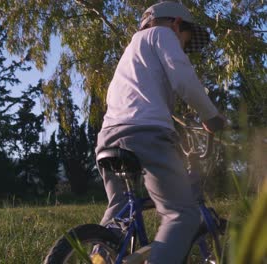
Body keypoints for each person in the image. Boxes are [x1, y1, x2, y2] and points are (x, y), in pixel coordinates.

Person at [94, 2, 225, 263]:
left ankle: (99, 257)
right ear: (177, 24)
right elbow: (183, 78)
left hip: (108, 136)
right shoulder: (162, 34)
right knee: (181, 214)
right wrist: (210, 116)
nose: (184, 47)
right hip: (146, 135)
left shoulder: (131, 51)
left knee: (120, 212)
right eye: (186, 40)